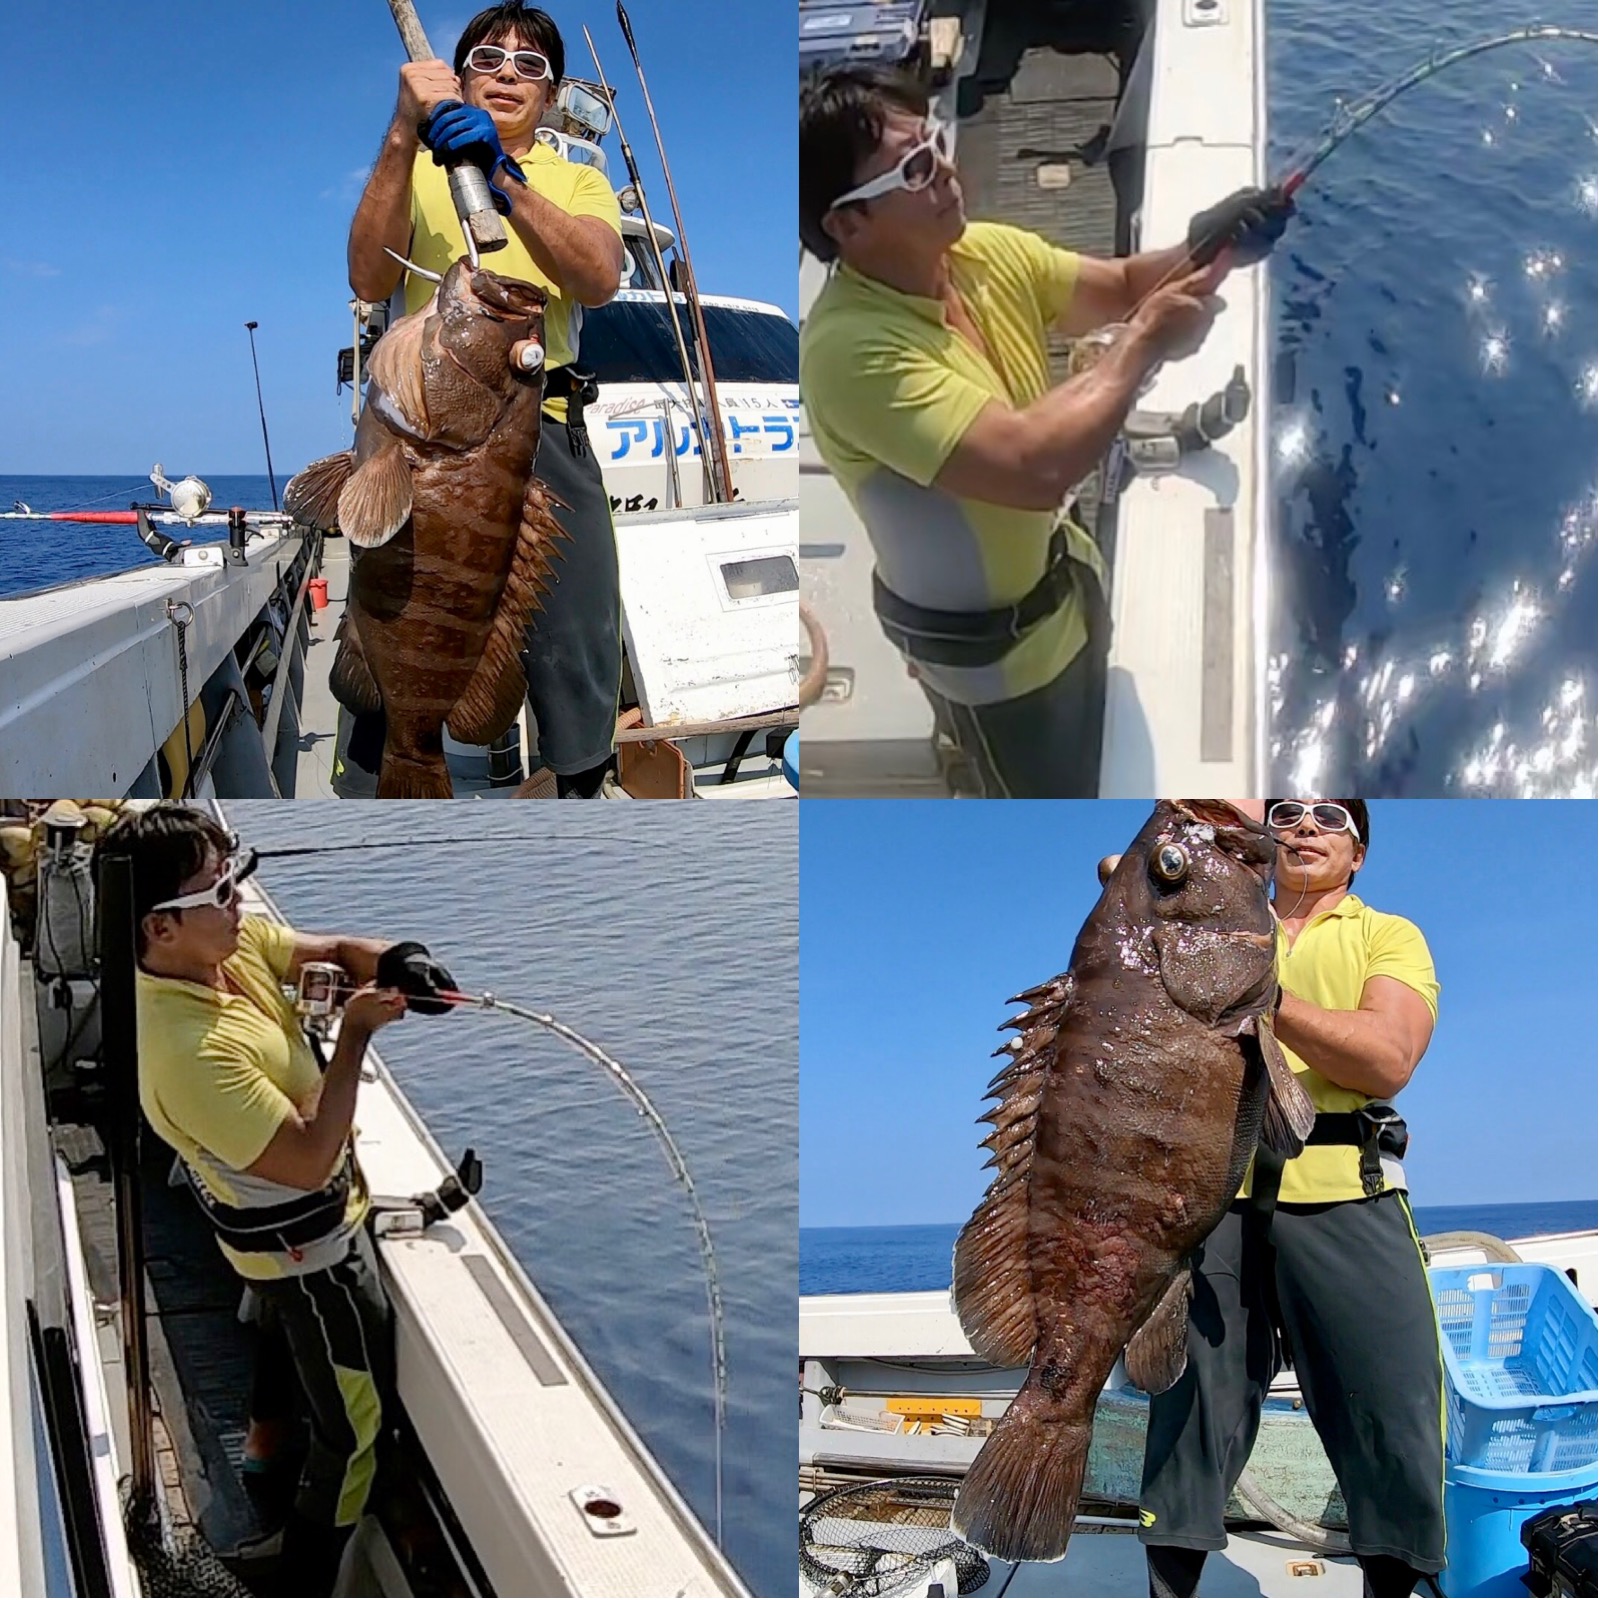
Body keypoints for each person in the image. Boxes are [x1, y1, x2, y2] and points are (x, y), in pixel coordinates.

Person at [798, 66, 1292, 796]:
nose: (947, 172)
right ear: (847, 224)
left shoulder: (978, 254)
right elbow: (1034, 469)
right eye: (914, 167)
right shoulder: (849, 350)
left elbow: (1124, 289)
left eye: (934, 142)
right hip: (997, 677)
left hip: (1066, 591)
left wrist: (1213, 242)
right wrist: (1147, 340)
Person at [95, 804, 458, 1593]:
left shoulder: (227, 952)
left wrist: (401, 960)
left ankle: (263, 1454)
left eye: (234, 878)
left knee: (284, 1353)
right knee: (356, 1430)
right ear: (160, 927)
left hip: (285, 1255)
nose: (237, 901)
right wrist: (356, 1033)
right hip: (313, 1264)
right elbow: (305, 1158)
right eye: (216, 891)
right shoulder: (187, 1050)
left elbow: (329, 951)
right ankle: (301, 1578)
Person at [1138, 798, 1446, 1600]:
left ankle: (1391, 1588)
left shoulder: (1388, 935)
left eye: (1331, 817)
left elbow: (1387, 1057)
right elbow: (1135, 874)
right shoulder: (1222, 912)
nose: (1306, 826)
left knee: (1390, 1414)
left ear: (1359, 855)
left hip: (1348, 1195)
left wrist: (1264, 998)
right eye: (1288, 813)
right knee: (1188, 1416)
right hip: (1211, 1203)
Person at [346, 2, 626, 798]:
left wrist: (504, 181)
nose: (508, 73)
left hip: (547, 439)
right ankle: (387, 773)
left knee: (575, 645)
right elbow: (369, 279)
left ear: (553, 90)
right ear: (458, 77)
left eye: (529, 65)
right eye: (489, 60)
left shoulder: (577, 179)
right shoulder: (415, 171)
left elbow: (598, 278)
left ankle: (578, 787)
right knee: (398, 611)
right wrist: (406, 132)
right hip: (416, 444)